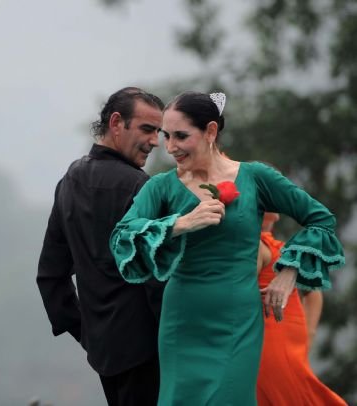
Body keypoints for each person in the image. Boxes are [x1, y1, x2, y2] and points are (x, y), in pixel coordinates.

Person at [110, 91, 345, 405]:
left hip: (238, 322)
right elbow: (122, 237)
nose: (170, 147)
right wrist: (181, 223)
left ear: (210, 131)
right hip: (183, 322)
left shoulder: (256, 177)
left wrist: (289, 272)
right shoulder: (161, 186)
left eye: (181, 136)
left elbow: (321, 221)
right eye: (166, 136)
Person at [37, 87, 165, 406]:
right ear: (116, 123)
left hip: (105, 355)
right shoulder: (141, 187)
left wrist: (88, 334)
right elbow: (157, 278)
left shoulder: (69, 182)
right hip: (150, 352)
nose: (155, 141)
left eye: (158, 132)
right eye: (147, 129)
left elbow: (50, 276)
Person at [257, 212, 347, 405]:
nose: (277, 216)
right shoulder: (262, 248)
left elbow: (313, 293)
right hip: (270, 346)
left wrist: (308, 336)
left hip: (279, 347)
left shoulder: (273, 248)